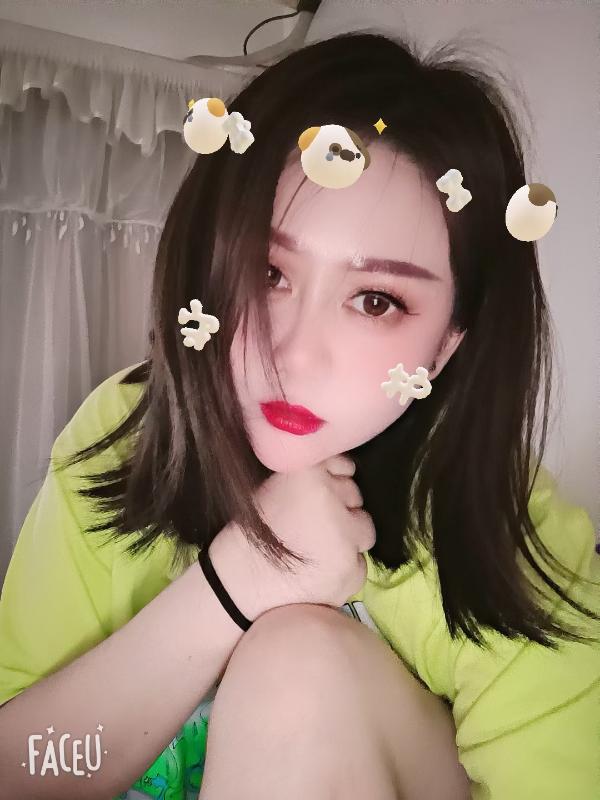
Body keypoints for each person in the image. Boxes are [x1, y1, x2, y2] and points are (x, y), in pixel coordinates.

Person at [0, 30, 598, 800]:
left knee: (297, 665)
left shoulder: (503, 532)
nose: (293, 355)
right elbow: (23, 772)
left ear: (447, 344)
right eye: (267, 271)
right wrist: (234, 583)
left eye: (375, 300)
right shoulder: (127, 433)